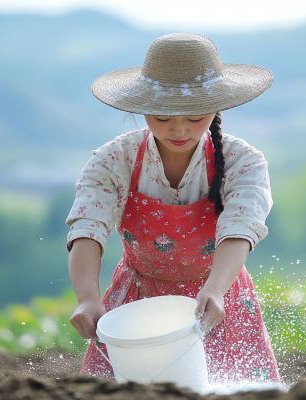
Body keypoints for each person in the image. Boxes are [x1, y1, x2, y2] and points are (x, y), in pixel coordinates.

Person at [65, 33, 280, 383]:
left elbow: (241, 227)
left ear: (216, 107)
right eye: (163, 117)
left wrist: (214, 289)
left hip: (217, 296)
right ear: (143, 108)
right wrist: (87, 298)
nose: (179, 129)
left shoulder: (244, 162)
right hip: (137, 300)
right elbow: (88, 227)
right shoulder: (114, 159)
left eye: (195, 117)